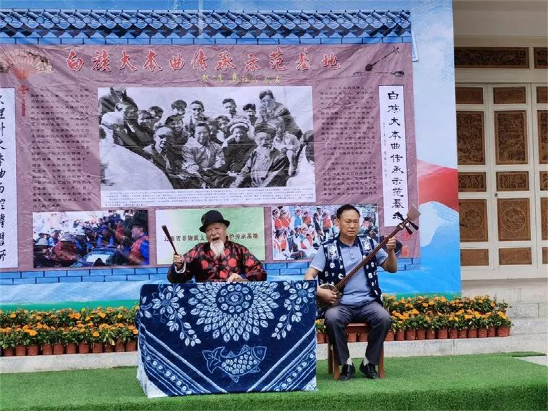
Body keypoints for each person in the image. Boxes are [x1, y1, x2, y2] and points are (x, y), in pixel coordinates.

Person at [304, 204, 398, 381]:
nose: (352, 225)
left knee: (384, 318)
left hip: (368, 302)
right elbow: (309, 275)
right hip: (340, 305)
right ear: (337, 222)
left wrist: (391, 251)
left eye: (355, 221)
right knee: (332, 318)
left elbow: (391, 268)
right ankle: (346, 363)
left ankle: (369, 362)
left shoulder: (369, 243)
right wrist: (320, 292)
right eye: (347, 221)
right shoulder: (327, 247)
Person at [168, 210, 267, 283]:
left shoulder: (239, 250)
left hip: (234, 298)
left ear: (225, 229)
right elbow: (175, 280)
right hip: (204, 299)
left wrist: (242, 277)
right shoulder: (198, 250)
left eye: (217, 228)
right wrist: (179, 266)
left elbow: (260, 273)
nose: (213, 233)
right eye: (208, 230)